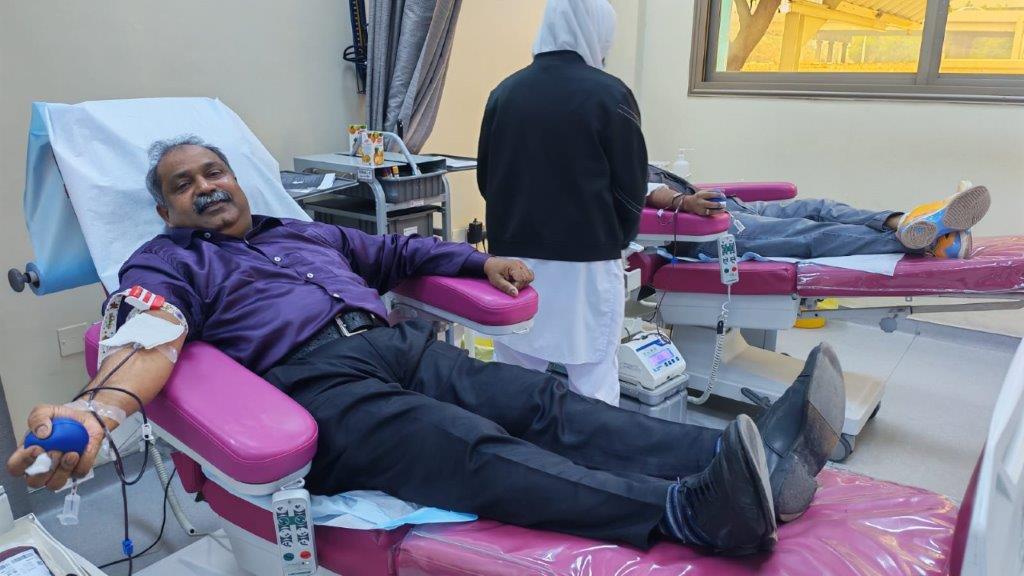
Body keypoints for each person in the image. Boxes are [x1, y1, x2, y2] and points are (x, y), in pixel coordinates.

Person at [7, 137, 846, 555]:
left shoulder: (301, 232)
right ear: (164, 211)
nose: (204, 189)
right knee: (466, 444)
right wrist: (95, 416)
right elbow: (146, 333)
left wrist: (480, 262)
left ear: (236, 179)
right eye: (182, 185)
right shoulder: (166, 261)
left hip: (395, 346)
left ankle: (736, 455)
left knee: (541, 402)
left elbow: (395, 253)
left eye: (213, 173)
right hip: (317, 389)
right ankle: (687, 513)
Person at [476, 0, 648, 405]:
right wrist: (619, 240)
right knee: (592, 387)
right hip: (586, 268)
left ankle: (510, 444)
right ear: (596, 31)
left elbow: (487, 179)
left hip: (513, 264)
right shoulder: (611, 95)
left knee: (514, 383)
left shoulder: (504, 93)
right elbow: (631, 189)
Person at [646, 165, 990, 260]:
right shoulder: (615, 167)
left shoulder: (626, 148)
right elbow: (641, 192)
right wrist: (683, 203)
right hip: (698, 230)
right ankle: (928, 242)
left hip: (722, 207)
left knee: (819, 207)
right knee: (806, 230)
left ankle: (908, 222)